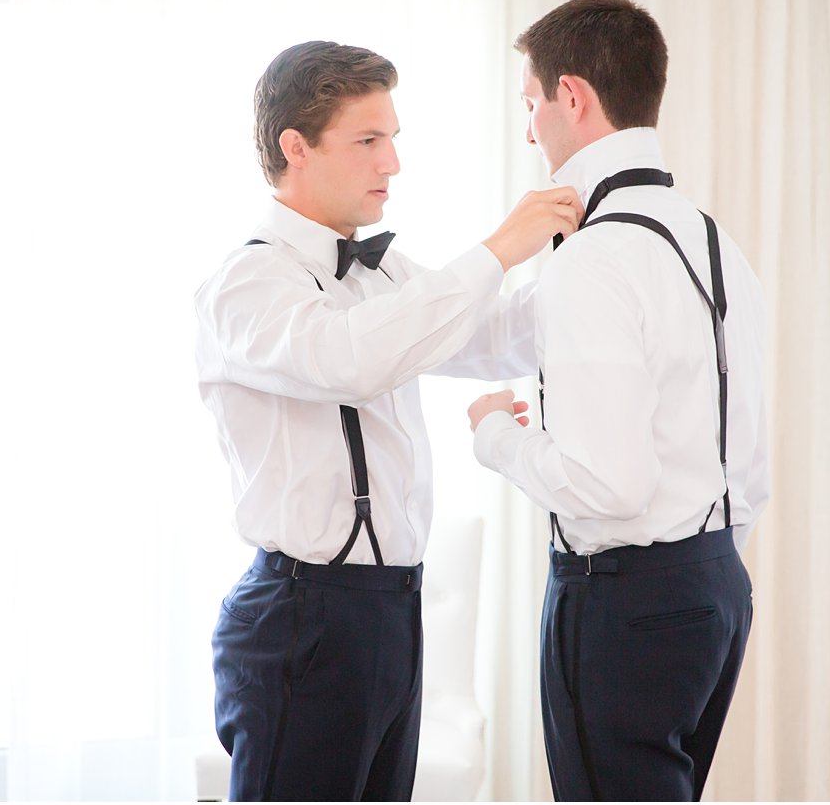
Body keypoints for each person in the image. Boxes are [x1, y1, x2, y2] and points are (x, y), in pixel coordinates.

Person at [195, 40, 581, 802]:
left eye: (393, 139)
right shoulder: (244, 283)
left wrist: (590, 260)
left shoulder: (384, 272)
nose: (392, 163)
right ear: (295, 147)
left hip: (390, 615)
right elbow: (348, 358)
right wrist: (500, 247)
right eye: (368, 141)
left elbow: (488, 334)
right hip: (302, 621)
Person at [467, 0, 771, 802]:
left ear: (572, 97)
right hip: (716, 586)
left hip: (625, 603)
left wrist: (497, 439)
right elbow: (502, 333)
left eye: (529, 105)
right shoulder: (714, 240)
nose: (527, 129)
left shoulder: (594, 259)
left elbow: (609, 486)